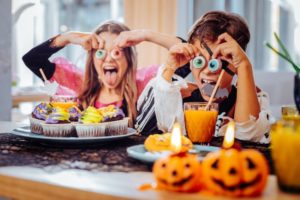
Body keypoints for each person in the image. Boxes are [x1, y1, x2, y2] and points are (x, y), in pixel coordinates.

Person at [132, 11, 273, 143]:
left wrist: (244, 66)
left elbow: (249, 137)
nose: (208, 70)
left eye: (220, 62)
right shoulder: (176, 94)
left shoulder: (247, 99)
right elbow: (147, 131)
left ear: (235, 66)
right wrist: (169, 69)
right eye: (199, 60)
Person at [23, 21, 181, 126]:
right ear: (92, 58)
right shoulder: (77, 83)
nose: (108, 59)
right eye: (100, 52)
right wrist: (68, 38)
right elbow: (31, 59)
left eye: (116, 52)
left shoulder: (144, 84)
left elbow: (185, 57)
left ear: (128, 58)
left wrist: (146, 35)